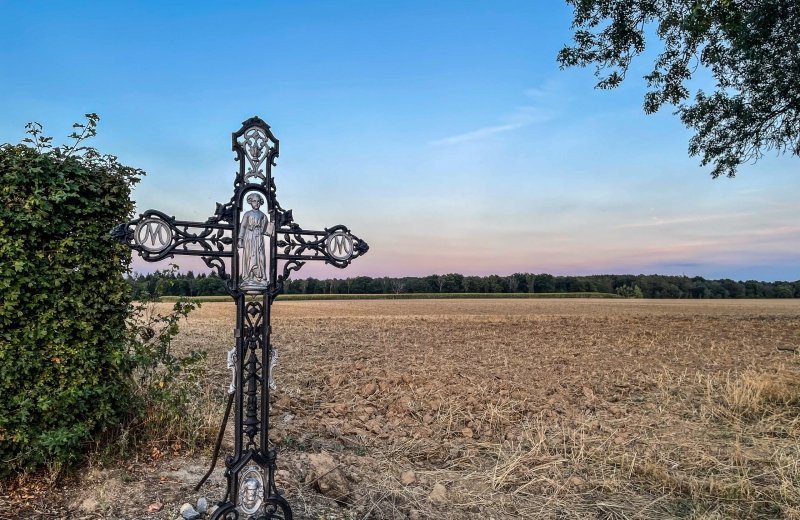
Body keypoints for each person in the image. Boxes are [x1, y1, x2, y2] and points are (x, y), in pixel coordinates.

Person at [238, 193, 274, 291]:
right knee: (250, 257)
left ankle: (260, 277)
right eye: (254, 201)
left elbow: (267, 229)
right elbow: (243, 227)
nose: (256, 203)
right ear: (250, 202)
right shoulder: (247, 214)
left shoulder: (263, 215)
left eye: (258, 201)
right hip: (249, 238)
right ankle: (249, 277)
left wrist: (272, 224)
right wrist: (240, 239)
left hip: (259, 239)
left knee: (260, 257)